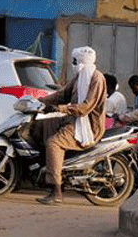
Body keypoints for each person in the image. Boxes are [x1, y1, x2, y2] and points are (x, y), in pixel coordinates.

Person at [33, 46, 106, 205]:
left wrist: (60, 108)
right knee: (39, 126)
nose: (72, 64)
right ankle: (47, 167)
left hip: (86, 126)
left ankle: (56, 190)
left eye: (74, 61)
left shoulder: (96, 78)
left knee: (53, 143)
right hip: (72, 119)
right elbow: (63, 94)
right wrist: (39, 102)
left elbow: (86, 107)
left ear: (81, 61)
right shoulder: (80, 76)